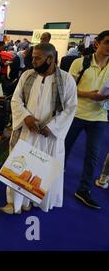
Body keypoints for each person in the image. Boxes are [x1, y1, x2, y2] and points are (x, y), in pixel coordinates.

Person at [0, 43, 77, 214]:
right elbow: (16, 99)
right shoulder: (27, 75)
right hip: (27, 131)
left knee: (40, 169)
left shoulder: (66, 79)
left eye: (37, 58)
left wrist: (52, 127)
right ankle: (14, 203)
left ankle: (32, 201)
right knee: (19, 165)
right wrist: (25, 117)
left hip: (49, 136)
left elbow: (71, 107)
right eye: (33, 57)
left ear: (50, 59)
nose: (32, 61)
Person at [65, 30, 109, 209]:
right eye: (107, 42)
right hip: (76, 113)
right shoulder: (79, 62)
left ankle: (84, 190)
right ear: (97, 43)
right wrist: (89, 95)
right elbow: (68, 89)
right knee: (63, 149)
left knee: (93, 155)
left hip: (100, 116)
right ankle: (51, 179)